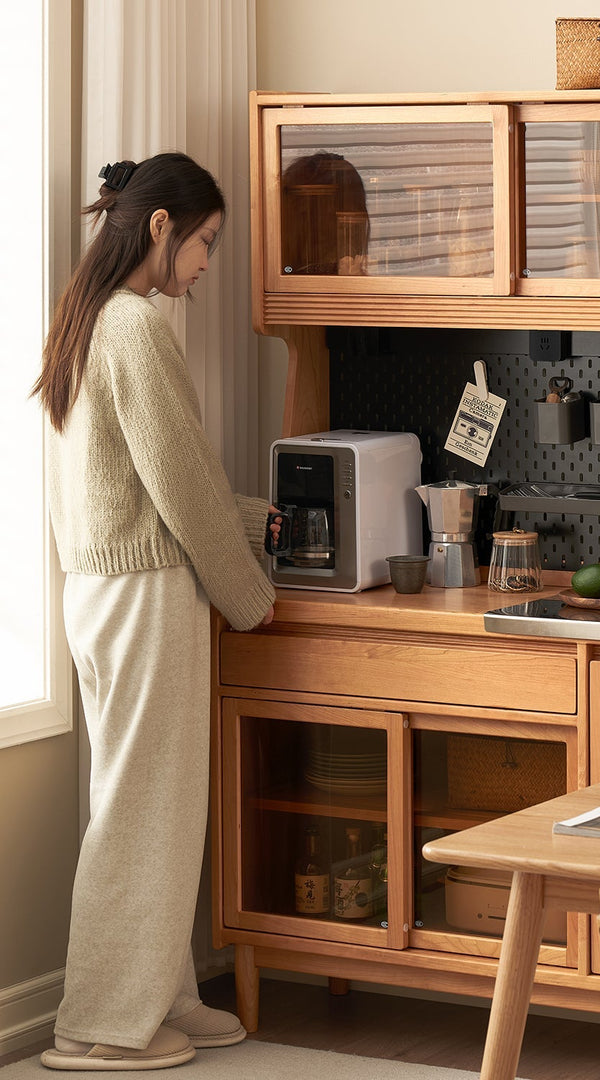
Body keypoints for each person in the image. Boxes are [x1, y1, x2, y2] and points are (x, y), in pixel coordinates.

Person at [32, 152, 278, 1071]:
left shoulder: (85, 317)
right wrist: (250, 596)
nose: (209, 265)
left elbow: (142, 480)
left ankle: (157, 992)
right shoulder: (136, 326)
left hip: (97, 591)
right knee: (146, 810)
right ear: (163, 227)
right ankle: (97, 1024)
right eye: (206, 241)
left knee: (136, 804)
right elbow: (180, 485)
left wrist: (254, 520)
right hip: (144, 596)